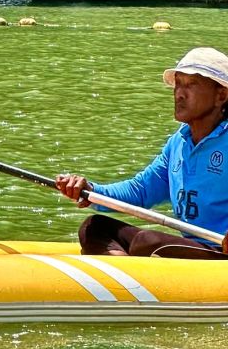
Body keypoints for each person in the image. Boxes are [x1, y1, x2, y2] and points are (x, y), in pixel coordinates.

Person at [56, 47, 228, 258]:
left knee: (148, 243)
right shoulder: (178, 143)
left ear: (221, 95)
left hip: (221, 251)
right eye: (178, 84)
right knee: (93, 227)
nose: (179, 94)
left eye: (191, 84)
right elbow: (141, 191)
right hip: (192, 248)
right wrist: (90, 191)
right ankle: (127, 279)